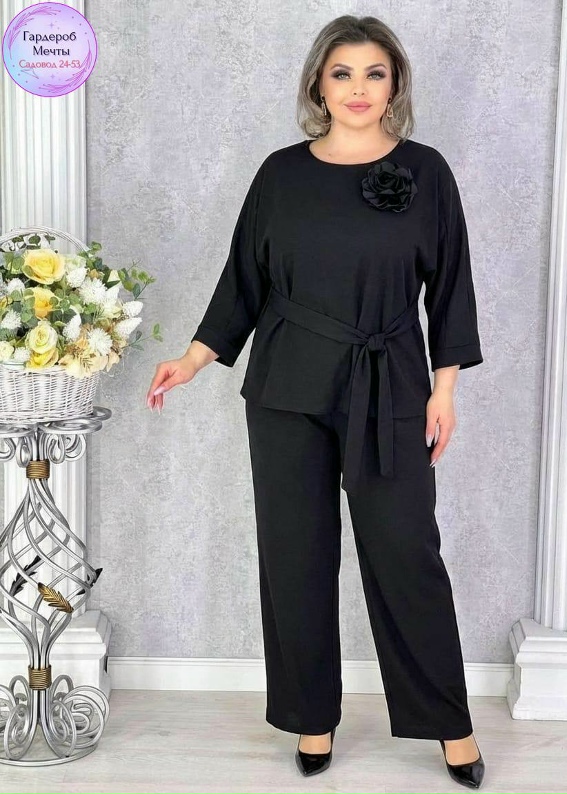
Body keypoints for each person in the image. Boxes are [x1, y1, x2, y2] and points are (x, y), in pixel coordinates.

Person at [146, 14, 485, 789]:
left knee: (406, 553)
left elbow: (452, 287)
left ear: (394, 85)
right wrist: (194, 357)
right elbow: (243, 279)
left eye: (374, 73)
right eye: (342, 73)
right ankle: (312, 715)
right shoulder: (280, 174)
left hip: (391, 383)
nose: (358, 89)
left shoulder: (427, 172)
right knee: (295, 556)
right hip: (287, 388)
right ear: (318, 86)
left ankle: (450, 723)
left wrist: (444, 389)